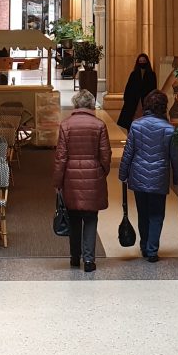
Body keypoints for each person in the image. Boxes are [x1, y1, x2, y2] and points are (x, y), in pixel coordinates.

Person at [119, 89, 178, 262]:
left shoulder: (136, 125)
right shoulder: (169, 129)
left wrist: (123, 173)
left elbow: (128, 152)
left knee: (143, 213)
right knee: (157, 214)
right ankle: (152, 250)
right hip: (159, 177)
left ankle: (144, 245)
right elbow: (175, 157)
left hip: (138, 176)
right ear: (164, 107)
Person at [53, 88, 111, 272]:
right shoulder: (99, 125)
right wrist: (102, 172)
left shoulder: (66, 125)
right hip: (93, 176)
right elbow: (106, 155)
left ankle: (74, 257)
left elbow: (60, 157)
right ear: (91, 104)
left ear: (75, 104)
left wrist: (58, 182)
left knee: (74, 218)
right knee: (91, 218)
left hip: (71, 178)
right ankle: (89, 260)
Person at [117, 53, 157, 130]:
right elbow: (128, 87)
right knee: (132, 120)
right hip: (133, 101)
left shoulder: (151, 74)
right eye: (140, 61)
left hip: (146, 101)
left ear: (147, 62)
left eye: (144, 61)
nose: (142, 63)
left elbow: (153, 88)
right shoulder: (134, 74)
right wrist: (126, 99)